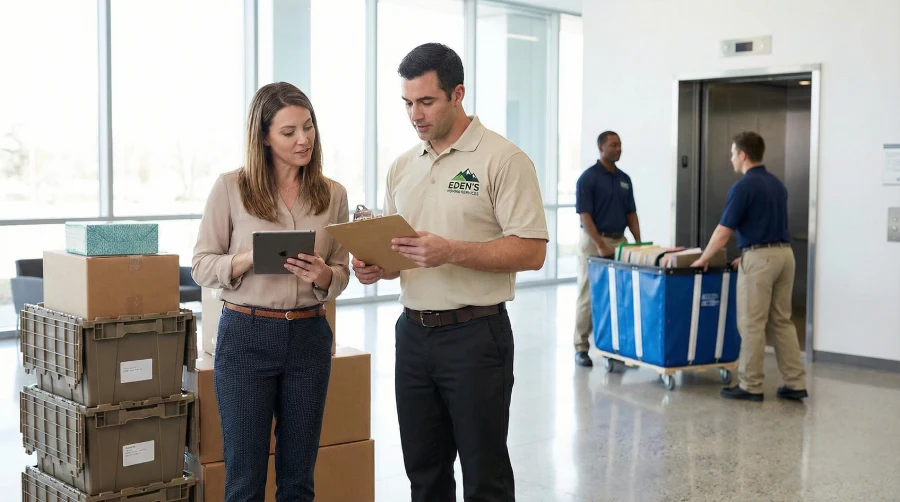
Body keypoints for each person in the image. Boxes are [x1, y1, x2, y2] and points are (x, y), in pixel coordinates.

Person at [352, 42, 548, 501]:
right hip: (413, 336)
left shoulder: (503, 159)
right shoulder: (402, 167)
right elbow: (401, 253)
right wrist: (375, 266)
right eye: (407, 103)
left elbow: (532, 250)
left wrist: (451, 251)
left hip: (476, 337)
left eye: (426, 101)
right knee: (424, 473)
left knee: (485, 476)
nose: (415, 115)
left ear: (458, 94)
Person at [191, 82, 350, 501]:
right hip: (246, 337)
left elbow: (341, 271)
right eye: (289, 132)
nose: (304, 140)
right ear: (263, 136)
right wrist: (243, 260)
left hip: (308, 338)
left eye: (309, 127)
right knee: (244, 479)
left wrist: (323, 276)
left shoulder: (333, 195)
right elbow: (201, 266)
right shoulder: (230, 188)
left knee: (298, 480)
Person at [691, 131, 808, 402]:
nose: (731, 158)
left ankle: (750, 385)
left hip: (761, 258)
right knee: (782, 321)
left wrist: (703, 258)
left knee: (752, 323)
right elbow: (767, 224)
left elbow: (723, 232)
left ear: (743, 155)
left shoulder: (743, 186)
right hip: (784, 255)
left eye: (733, 153)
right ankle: (795, 382)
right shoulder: (776, 184)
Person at [572, 131, 641, 367]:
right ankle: (581, 347)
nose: (618, 148)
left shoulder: (624, 179)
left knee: (619, 294)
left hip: (619, 240)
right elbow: (585, 215)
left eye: (620, 144)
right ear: (601, 147)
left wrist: (638, 243)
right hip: (593, 241)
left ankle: (615, 347)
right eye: (613, 145)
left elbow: (631, 214)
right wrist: (600, 246)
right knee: (588, 294)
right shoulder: (588, 178)